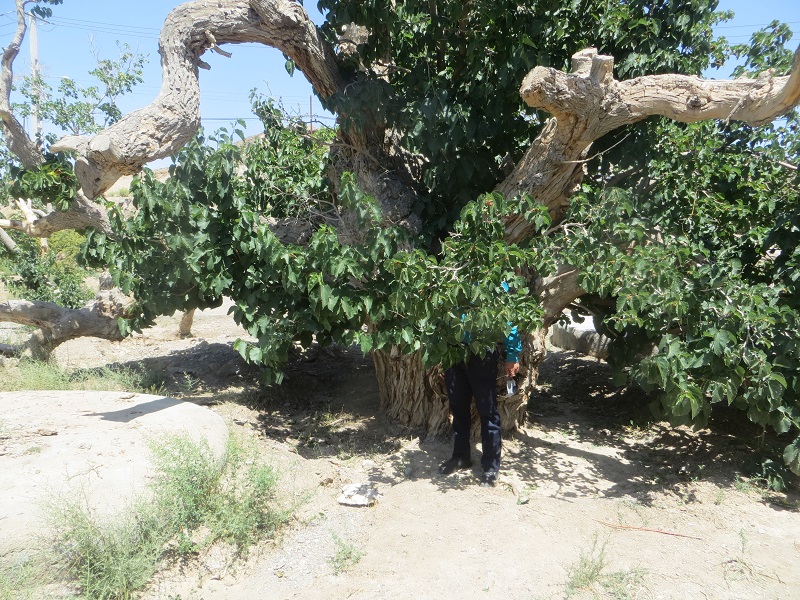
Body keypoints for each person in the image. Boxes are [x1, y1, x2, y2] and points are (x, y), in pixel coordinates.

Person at [439, 290, 521, 487]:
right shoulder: (452, 275)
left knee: (487, 411)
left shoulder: (492, 278)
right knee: (458, 407)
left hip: (482, 351)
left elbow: (508, 316)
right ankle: (461, 457)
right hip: (453, 350)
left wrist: (513, 354)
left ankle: (491, 466)